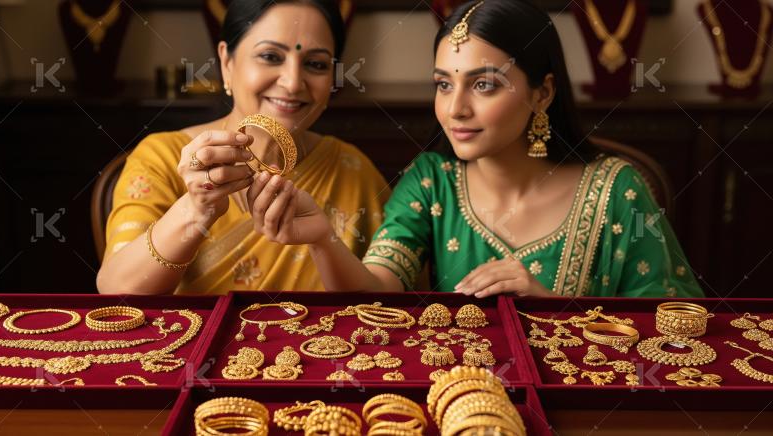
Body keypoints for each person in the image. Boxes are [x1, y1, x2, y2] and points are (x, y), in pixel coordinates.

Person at [244, 0, 704, 298]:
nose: (455, 109)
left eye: (484, 85)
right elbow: (378, 294)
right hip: (457, 403)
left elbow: (674, 332)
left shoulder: (617, 191)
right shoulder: (431, 182)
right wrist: (323, 241)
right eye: (444, 84)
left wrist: (549, 307)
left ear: (543, 93)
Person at [97, 0, 389, 295]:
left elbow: (388, 307)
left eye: (316, 64)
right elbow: (117, 292)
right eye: (270, 56)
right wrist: (195, 210)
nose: (292, 83)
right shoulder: (163, 158)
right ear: (227, 62)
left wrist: (324, 242)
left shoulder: (353, 170)